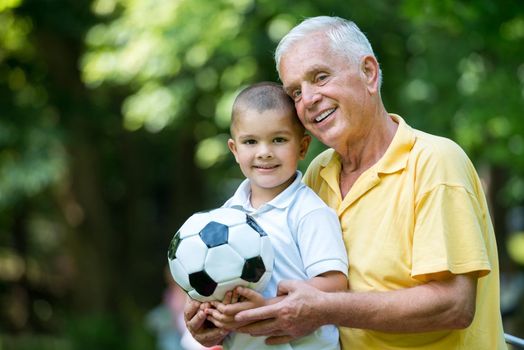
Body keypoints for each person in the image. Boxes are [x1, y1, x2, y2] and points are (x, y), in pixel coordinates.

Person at [185, 16, 507, 349]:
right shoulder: (316, 174)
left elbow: (454, 304)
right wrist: (215, 312)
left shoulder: (434, 162)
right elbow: (279, 283)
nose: (308, 99)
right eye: (295, 91)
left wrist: (324, 308)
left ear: (369, 72)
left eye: (320, 77)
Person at [189, 81, 348, 350]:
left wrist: (268, 307)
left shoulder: (310, 211)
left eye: (279, 139)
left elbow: (334, 284)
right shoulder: (221, 220)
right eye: (250, 141)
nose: (264, 152)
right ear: (234, 150)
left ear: (302, 147)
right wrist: (207, 314)